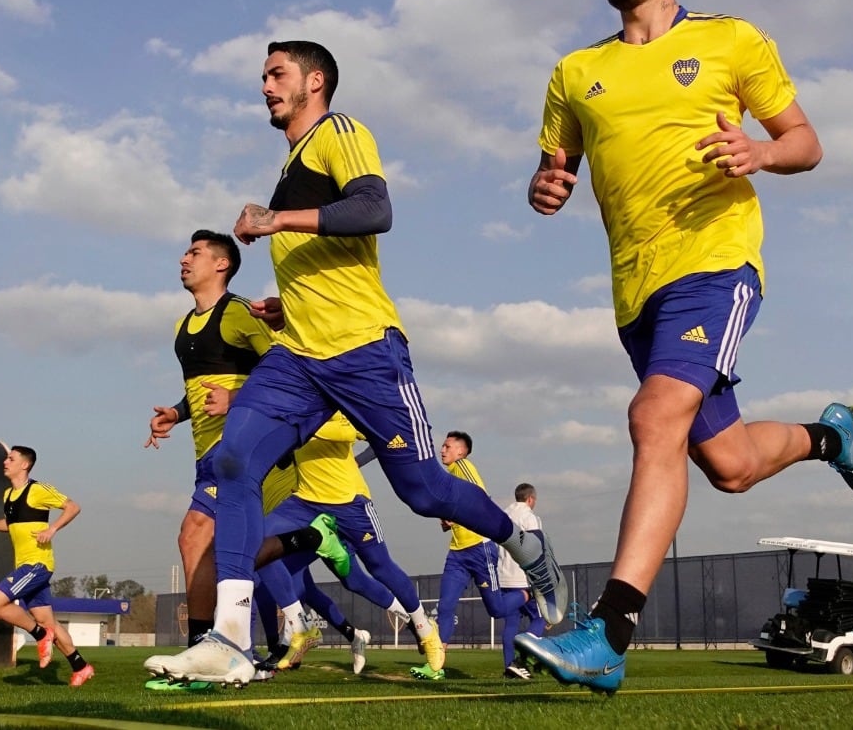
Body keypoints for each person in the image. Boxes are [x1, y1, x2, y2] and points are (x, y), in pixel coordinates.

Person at [516, 0, 853, 693]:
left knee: (654, 417)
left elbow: (806, 141)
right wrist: (546, 187)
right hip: (634, 290)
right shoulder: (574, 71)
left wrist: (761, 151)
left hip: (716, 262)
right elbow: (554, 165)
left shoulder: (731, 40)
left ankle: (610, 631)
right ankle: (829, 438)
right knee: (730, 464)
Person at [148, 40, 566, 685]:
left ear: (315, 81)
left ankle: (521, 541)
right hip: (298, 357)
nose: (265, 85)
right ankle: (229, 639)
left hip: (364, 348)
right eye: (263, 76)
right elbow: (325, 261)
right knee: (234, 460)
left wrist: (276, 218)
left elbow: (375, 209)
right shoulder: (291, 162)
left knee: (424, 491)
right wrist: (288, 308)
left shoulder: (340, 132)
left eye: (277, 73)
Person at [142, 230, 351, 689]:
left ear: (222, 264)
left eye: (195, 253)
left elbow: (282, 371)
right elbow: (204, 388)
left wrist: (236, 399)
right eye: (185, 252)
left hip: (244, 447)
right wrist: (176, 413)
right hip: (206, 453)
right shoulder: (183, 327)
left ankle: (206, 657)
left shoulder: (238, 312)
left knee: (194, 535)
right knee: (230, 552)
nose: (183, 259)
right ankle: (309, 540)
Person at [261, 423, 443, 676]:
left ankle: (424, 627)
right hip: (305, 503)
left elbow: (352, 433)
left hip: (349, 502)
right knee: (258, 546)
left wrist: (303, 428)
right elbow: (281, 459)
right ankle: (301, 627)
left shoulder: (335, 406)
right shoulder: (289, 409)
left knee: (376, 569)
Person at [0, 446, 94, 687]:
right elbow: (11, 524)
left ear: (24, 465)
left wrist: (52, 529)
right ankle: (81, 667)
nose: (5, 462)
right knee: (49, 623)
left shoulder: (38, 490)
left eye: (11, 458)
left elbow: (73, 507)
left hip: (37, 565)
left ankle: (39, 634)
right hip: (25, 565)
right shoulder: (8, 495)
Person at [410, 432, 528, 681]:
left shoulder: (462, 466)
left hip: (480, 549)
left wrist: (457, 514)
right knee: (445, 606)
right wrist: (448, 520)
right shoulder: (447, 479)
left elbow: (480, 496)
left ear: (461, 452)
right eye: (442, 446)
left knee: (496, 609)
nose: (442, 450)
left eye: (447, 446)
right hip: (457, 553)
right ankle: (436, 665)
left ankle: (528, 595)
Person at [497, 483, 546, 679]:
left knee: (511, 624)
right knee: (541, 619)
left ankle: (510, 667)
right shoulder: (529, 517)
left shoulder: (503, 515)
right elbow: (535, 548)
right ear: (530, 499)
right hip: (523, 579)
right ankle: (521, 660)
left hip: (504, 577)